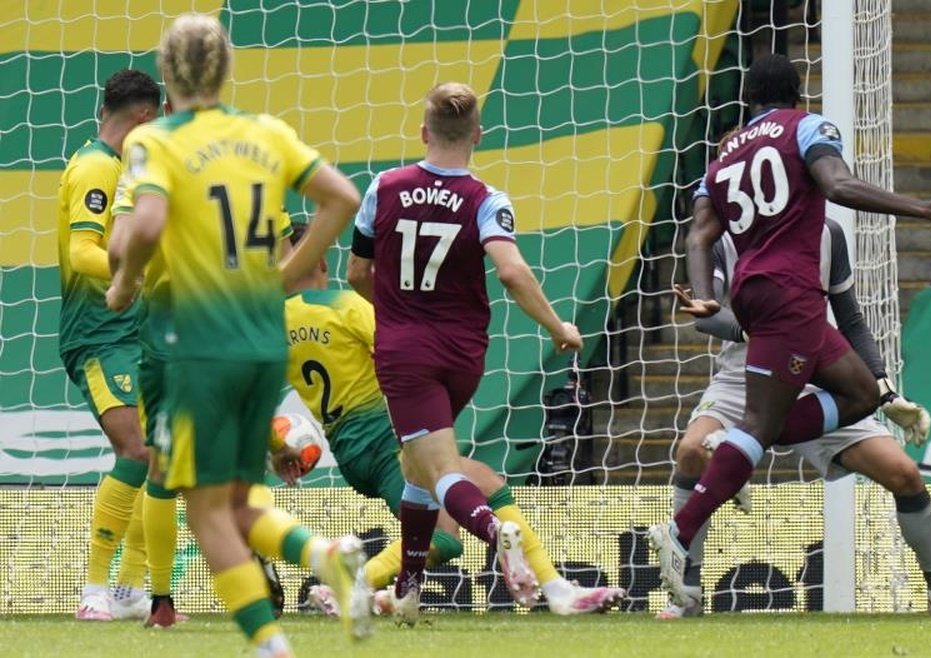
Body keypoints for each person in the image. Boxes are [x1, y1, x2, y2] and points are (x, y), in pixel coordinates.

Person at [657, 53, 931, 607]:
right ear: (798, 96)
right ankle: (684, 541)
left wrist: (886, 388)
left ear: (748, 100)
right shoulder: (808, 128)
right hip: (777, 320)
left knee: (864, 401)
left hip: (790, 323)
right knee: (740, 431)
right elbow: (840, 183)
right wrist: (920, 208)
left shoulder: (725, 162)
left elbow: (698, 237)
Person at [106, 14, 367, 654]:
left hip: (198, 342)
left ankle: (278, 628)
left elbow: (143, 227)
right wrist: (287, 272)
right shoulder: (267, 133)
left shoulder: (157, 141)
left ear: (168, 74)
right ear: (226, 70)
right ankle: (316, 563)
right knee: (238, 497)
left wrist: (124, 283)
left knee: (204, 508)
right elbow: (343, 198)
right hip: (263, 339)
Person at [652, 218, 931, 619]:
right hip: (741, 377)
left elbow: (850, 320)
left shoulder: (828, 233)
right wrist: (769, 336)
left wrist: (884, 390)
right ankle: (688, 595)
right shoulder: (725, 236)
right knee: (692, 450)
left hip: (817, 379)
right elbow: (706, 316)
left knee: (903, 473)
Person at [282, 223, 623, 616]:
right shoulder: (344, 306)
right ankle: (349, 586)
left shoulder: (274, 323)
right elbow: (400, 351)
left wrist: (280, 448)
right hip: (387, 439)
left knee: (487, 482)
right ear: (323, 260)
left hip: (348, 446)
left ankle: (555, 587)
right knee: (445, 537)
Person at [346, 81, 583, 624]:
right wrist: (557, 326)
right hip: (465, 355)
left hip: (406, 352)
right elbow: (510, 270)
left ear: (424, 131)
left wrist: (396, 306)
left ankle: (494, 531)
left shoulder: (384, 187)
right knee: (416, 468)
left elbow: (357, 272)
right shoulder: (486, 200)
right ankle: (407, 589)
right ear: (478, 134)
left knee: (439, 468)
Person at [108, 172, 296, 626]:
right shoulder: (255, 164)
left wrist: (124, 282)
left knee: (161, 468)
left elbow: (121, 245)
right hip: (235, 328)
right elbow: (288, 264)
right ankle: (303, 553)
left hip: (170, 329)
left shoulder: (153, 163)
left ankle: (161, 602)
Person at [56, 68, 161, 621]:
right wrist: (136, 278)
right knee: (138, 450)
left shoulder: (117, 168)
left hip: (130, 332)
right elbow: (82, 254)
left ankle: (129, 589)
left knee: (157, 456)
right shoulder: (98, 166)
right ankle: (95, 589)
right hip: (99, 333)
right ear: (145, 116)